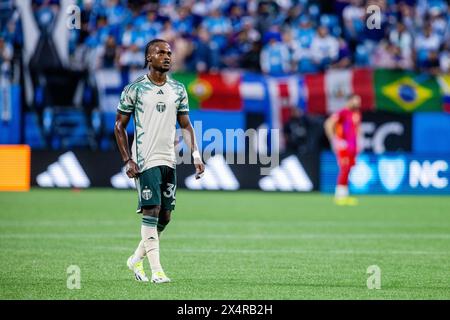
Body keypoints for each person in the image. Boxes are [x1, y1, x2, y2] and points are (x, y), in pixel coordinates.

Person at [114, 39, 205, 283]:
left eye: (168, 53)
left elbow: (185, 125)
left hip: (169, 158)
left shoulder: (178, 89)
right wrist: (127, 160)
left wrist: (196, 154)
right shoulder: (135, 89)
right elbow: (119, 126)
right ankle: (157, 272)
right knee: (151, 211)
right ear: (148, 58)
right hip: (145, 158)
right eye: (160, 52)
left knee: (165, 217)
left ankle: (135, 259)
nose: (166, 56)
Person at [324, 94, 362, 206]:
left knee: (348, 169)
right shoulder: (343, 112)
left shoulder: (357, 114)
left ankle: (344, 195)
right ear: (350, 101)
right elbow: (328, 124)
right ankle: (339, 196)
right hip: (344, 146)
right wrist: (334, 140)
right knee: (344, 169)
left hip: (352, 147)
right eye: (356, 101)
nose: (358, 103)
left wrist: (359, 143)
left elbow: (357, 129)